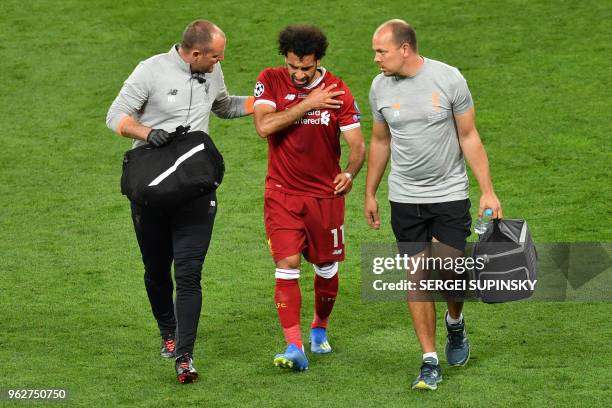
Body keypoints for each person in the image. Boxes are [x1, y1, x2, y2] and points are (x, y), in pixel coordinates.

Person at [105, 20, 254, 384]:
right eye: (215, 56)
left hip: (195, 189)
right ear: (195, 53)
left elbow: (223, 106)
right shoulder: (150, 70)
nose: (220, 61)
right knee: (156, 271)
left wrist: (265, 103)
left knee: (189, 273)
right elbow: (114, 116)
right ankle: (167, 331)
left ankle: (184, 355)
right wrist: (146, 132)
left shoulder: (212, 70)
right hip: (152, 187)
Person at [365, 19, 503, 390]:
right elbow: (380, 141)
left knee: (450, 271)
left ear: (405, 48)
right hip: (404, 199)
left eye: (381, 51)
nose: (375, 58)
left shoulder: (448, 79)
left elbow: (469, 135)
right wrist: (370, 192)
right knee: (417, 277)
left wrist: (487, 191)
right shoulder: (379, 87)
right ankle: (429, 359)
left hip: (448, 195)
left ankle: (454, 322)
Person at [253, 25, 365, 371]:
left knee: (325, 266)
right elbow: (264, 126)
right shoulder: (270, 80)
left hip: (324, 196)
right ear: (284, 60)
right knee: (286, 265)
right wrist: (308, 103)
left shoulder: (339, 91)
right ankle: (294, 345)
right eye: (293, 68)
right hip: (282, 194)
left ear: (319, 61)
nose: (299, 75)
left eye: (307, 68)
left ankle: (319, 326)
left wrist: (350, 172)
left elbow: (358, 145)